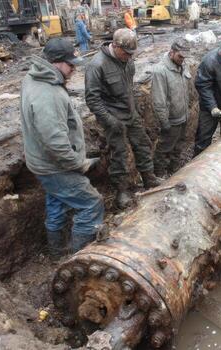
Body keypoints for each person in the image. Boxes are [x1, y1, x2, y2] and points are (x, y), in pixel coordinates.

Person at [20, 38, 104, 256]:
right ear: (56, 62)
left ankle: (58, 253)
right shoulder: (48, 93)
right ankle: (80, 258)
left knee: (57, 202)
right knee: (91, 204)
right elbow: (55, 142)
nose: (74, 69)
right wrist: (79, 164)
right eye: (71, 64)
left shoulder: (36, 78)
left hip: (43, 163)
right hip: (55, 166)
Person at [85, 29, 161, 209]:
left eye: (131, 54)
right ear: (116, 46)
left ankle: (148, 179)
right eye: (126, 53)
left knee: (142, 144)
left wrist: (135, 109)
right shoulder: (97, 65)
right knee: (119, 154)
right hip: (112, 117)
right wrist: (110, 121)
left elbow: (129, 88)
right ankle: (122, 191)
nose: (129, 56)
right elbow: (92, 99)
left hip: (130, 113)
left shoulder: (128, 61)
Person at [151, 39, 192, 178]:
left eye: (184, 57)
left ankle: (174, 170)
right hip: (171, 120)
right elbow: (159, 100)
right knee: (164, 149)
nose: (182, 60)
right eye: (180, 56)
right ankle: (160, 175)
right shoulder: (160, 71)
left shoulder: (183, 66)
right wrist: (164, 122)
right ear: (171, 53)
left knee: (179, 146)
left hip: (183, 116)